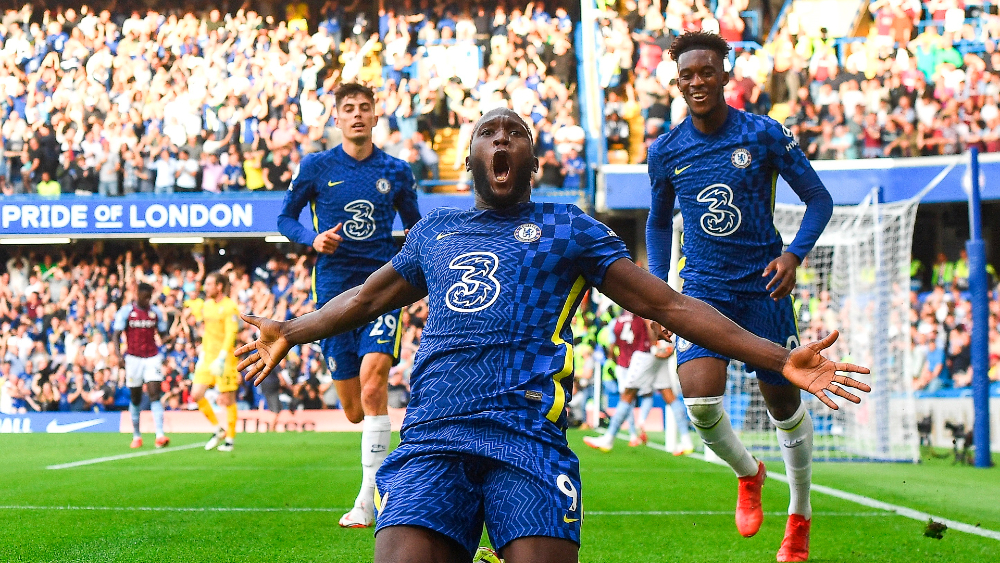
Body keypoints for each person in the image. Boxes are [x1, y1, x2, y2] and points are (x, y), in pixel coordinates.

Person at [238, 107, 870, 563]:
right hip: (434, 439)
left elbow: (671, 306)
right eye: (490, 134)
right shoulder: (435, 233)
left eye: (516, 135)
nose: (503, 141)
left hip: (529, 444)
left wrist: (779, 356)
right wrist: (290, 329)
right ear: (471, 160)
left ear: (534, 162)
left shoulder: (570, 229)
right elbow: (367, 297)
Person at [645, 32, 836, 562]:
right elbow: (659, 225)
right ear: (678, 83)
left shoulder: (766, 134)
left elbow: (819, 200)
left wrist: (794, 255)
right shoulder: (665, 151)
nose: (697, 82)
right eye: (688, 75)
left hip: (764, 286)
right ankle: (749, 473)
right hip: (703, 287)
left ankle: (799, 515)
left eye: (707, 71)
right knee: (701, 400)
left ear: (725, 75)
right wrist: (660, 289)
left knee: (783, 402)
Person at [277, 82, 422, 528]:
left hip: (382, 291)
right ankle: (375, 471)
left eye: (365, 108)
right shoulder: (316, 166)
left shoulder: (396, 171)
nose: (357, 115)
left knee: (374, 386)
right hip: (333, 298)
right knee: (354, 408)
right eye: (348, 109)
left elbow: (417, 230)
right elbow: (285, 218)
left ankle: (368, 500)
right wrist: (312, 238)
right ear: (336, 118)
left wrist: (421, 283)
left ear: (377, 116)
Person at [111, 283, 171, 448]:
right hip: (133, 358)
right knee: (136, 397)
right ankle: (137, 435)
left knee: (154, 394)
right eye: (145, 296)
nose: (148, 300)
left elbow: (163, 334)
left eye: (149, 296)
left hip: (152, 356)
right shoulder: (126, 312)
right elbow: (116, 334)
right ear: (137, 294)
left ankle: (160, 434)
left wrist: (168, 338)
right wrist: (118, 356)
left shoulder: (155, 312)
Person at [188, 271, 241, 452]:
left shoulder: (230, 307)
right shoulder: (207, 306)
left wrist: (222, 356)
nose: (206, 287)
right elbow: (205, 328)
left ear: (219, 286)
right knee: (196, 394)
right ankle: (218, 429)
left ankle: (230, 439)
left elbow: (230, 333)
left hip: (224, 359)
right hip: (207, 357)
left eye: (210, 284)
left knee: (227, 399)